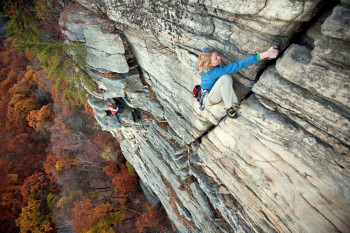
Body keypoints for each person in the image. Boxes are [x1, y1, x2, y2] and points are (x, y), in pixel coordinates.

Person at [197, 46, 279, 118]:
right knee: (226, 78)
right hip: (209, 99)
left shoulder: (206, 60)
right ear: (209, 64)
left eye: (217, 55)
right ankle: (229, 108)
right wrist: (265, 54)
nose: (219, 57)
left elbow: (205, 50)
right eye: (216, 58)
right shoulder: (214, 72)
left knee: (224, 78)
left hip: (208, 92)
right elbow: (238, 65)